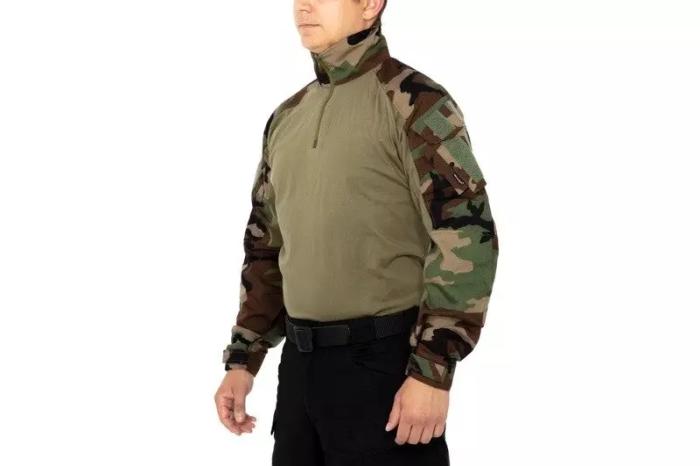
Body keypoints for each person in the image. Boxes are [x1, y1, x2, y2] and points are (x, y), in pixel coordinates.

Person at [214, 0, 499, 464]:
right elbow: (265, 245)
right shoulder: (287, 117)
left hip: (385, 370)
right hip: (300, 372)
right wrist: (244, 359)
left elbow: (465, 232)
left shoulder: (414, 102)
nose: (303, 6)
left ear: (370, 4)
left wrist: (432, 371)